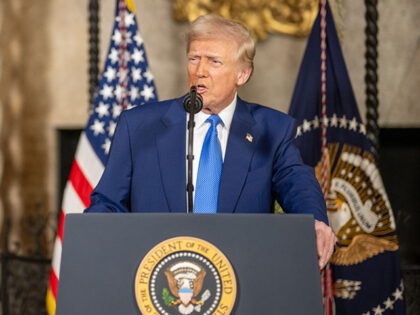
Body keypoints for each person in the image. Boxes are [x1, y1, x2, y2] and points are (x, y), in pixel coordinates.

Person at [85, 14, 336, 269]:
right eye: (194, 59)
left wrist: (315, 222)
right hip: (155, 277)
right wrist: (93, 244)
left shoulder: (272, 130)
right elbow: (107, 202)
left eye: (214, 62)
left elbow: (297, 182)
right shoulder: (139, 126)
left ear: (242, 74)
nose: (199, 71)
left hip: (241, 276)